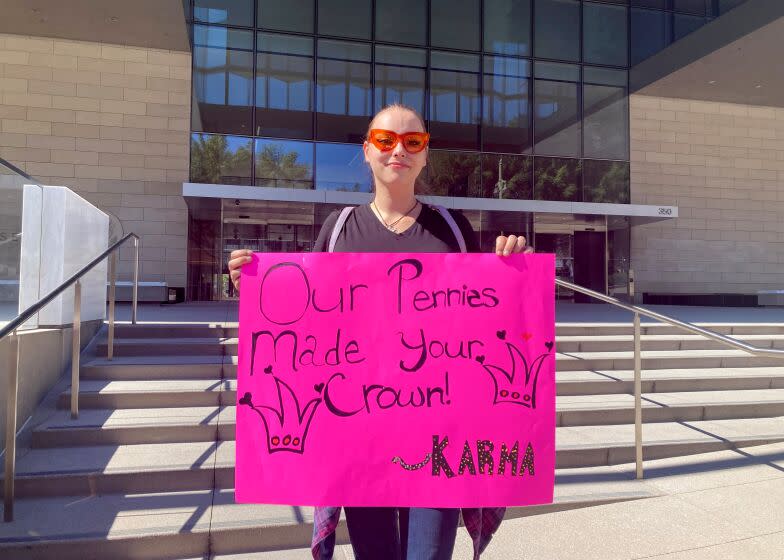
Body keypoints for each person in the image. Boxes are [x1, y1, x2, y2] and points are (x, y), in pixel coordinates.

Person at [228, 103, 532, 560]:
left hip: (438, 436)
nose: (399, 151)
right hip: (359, 435)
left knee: (428, 555)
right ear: (367, 151)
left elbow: (486, 326)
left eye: (413, 142)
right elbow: (308, 328)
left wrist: (512, 272)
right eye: (386, 140)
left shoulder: (452, 228)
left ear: (426, 155)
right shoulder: (339, 229)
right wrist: (253, 289)